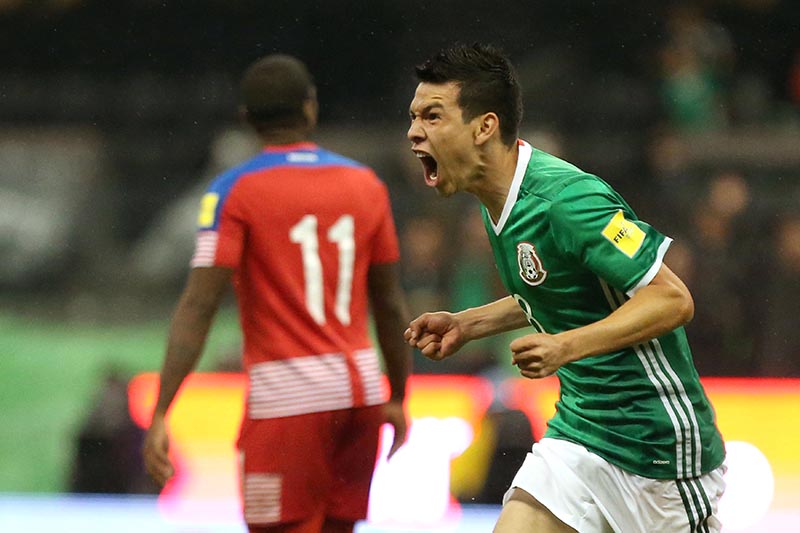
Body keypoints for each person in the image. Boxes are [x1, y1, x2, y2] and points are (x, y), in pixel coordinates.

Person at [404, 43, 726, 533]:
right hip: (579, 432)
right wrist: (468, 323)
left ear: (484, 126)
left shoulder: (566, 200)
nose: (414, 132)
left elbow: (672, 298)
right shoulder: (497, 202)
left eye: (432, 115)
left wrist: (565, 346)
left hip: (654, 445)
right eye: (414, 117)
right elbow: (554, 286)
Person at [143, 53, 411, 533]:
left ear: (245, 120)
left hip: (288, 400)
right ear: (310, 108)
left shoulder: (234, 192)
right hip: (362, 393)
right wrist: (398, 394)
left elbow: (199, 306)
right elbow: (389, 303)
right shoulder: (366, 185)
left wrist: (162, 408)